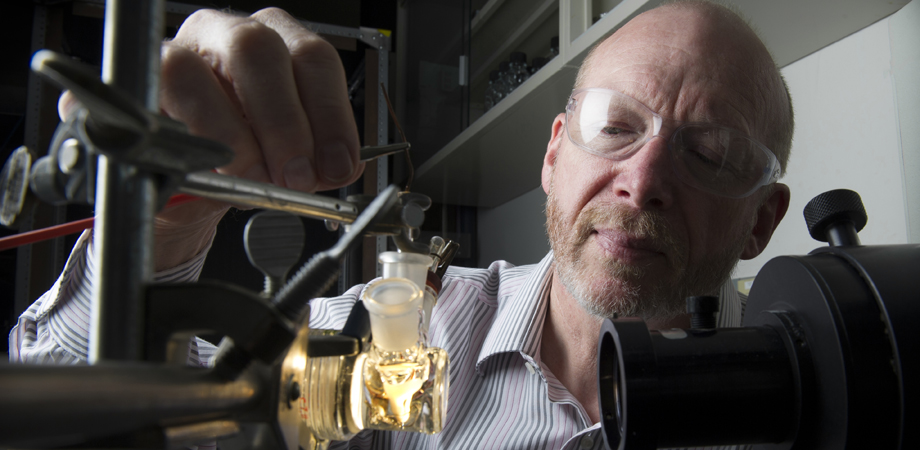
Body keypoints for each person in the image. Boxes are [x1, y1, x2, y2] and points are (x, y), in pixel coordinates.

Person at [10, 0, 792, 448]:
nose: (644, 181)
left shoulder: (804, 408)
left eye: (711, 155)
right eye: (616, 126)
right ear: (555, 156)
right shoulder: (404, 337)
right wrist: (159, 239)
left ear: (760, 224)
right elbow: (73, 415)